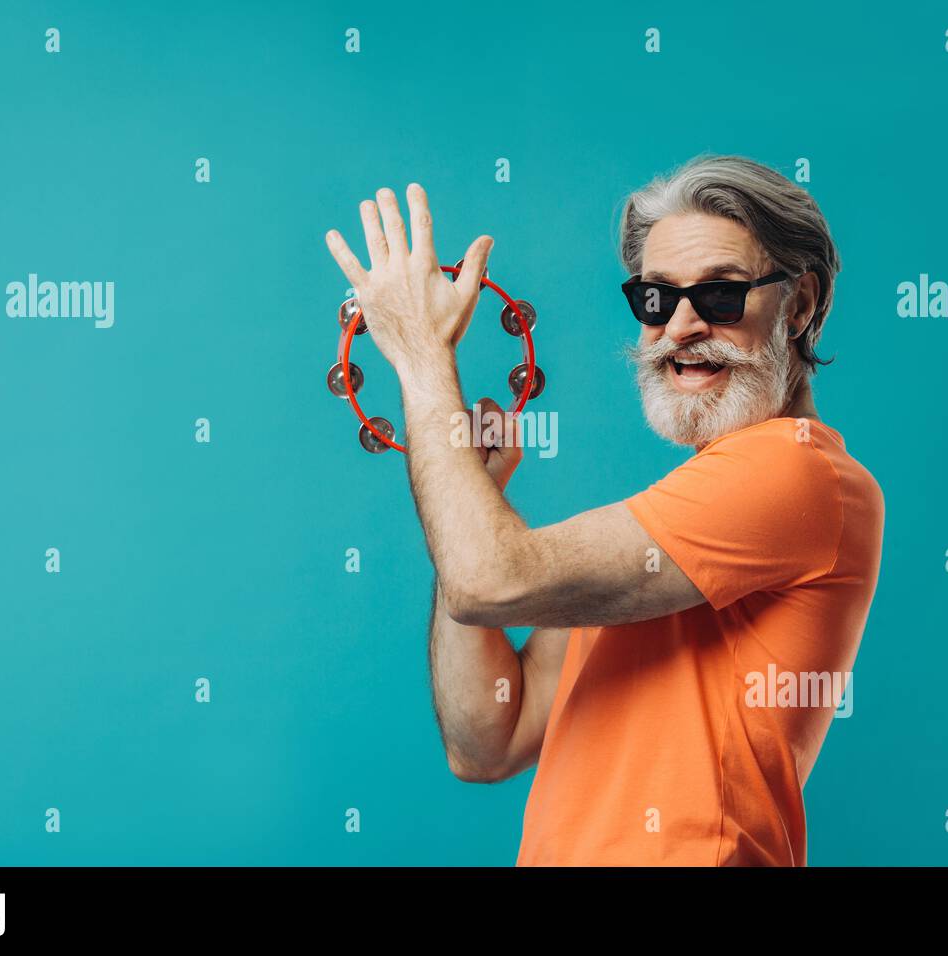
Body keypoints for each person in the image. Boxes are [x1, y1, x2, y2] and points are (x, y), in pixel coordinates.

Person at [324, 154, 884, 865]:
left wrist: (422, 357)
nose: (679, 327)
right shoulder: (672, 528)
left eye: (719, 295)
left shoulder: (798, 470)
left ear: (800, 304)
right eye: (656, 300)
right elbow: (487, 740)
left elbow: (488, 580)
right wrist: (478, 493)